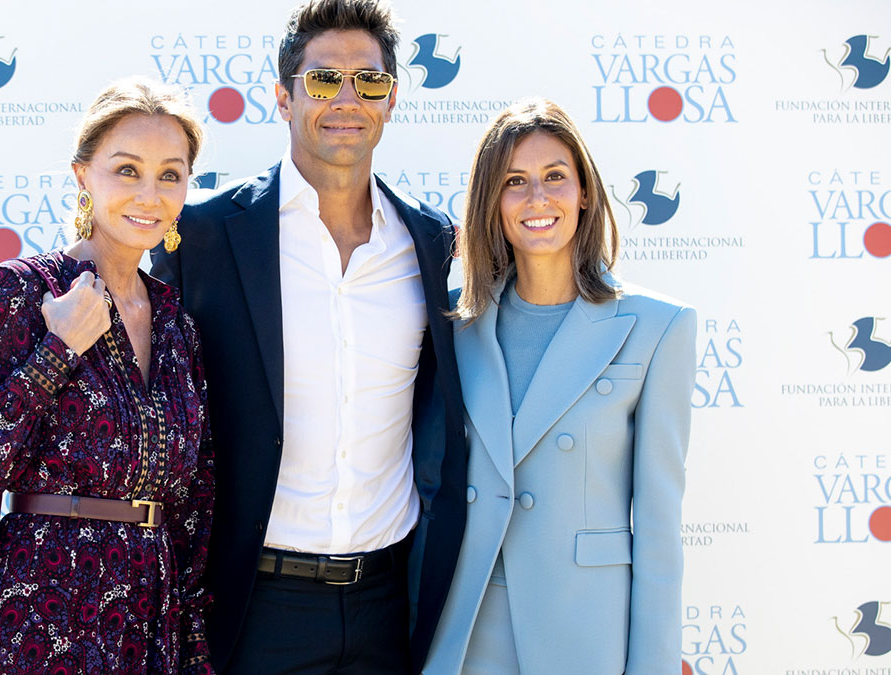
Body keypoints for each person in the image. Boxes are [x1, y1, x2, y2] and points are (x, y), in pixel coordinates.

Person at [150, 1, 466, 673]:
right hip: (254, 605)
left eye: (369, 81)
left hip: (390, 604)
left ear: (392, 100)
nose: (347, 99)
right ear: (282, 98)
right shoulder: (203, 238)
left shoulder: (430, 243)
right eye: (323, 80)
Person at [0, 78, 215, 675]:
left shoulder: (177, 321)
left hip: (150, 619)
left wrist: (192, 645)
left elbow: (194, 501)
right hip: (43, 610)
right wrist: (58, 350)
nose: (149, 194)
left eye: (170, 174)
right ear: (83, 176)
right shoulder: (24, 290)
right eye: (126, 170)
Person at [424, 98, 696, 674]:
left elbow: (658, 526)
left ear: (585, 193)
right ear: (491, 203)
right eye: (514, 181)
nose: (538, 199)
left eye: (555, 177)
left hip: (584, 628)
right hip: (467, 627)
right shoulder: (453, 324)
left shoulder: (657, 327)